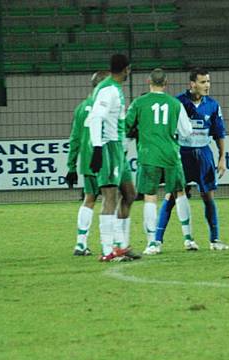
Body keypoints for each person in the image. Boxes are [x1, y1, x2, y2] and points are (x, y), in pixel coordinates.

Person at [155, 67, 229, 251]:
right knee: (172, 196)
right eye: (203, 82)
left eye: (208, 81)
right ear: (192, 84)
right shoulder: (177, 103)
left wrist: (222, 158)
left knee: (208, 197)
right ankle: (157, 240)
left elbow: (219, 133)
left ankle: (215, 240)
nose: (207, 85)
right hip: (182, 154)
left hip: (204, 154)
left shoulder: (212, 105)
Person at [125, 68, 194, 255]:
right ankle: (188, 239)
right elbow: (187, 131)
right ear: (166, 83)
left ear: (149, 81)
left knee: (150, 196)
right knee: (179, 192)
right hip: (171, 155)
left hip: (148, 156)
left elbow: (126, 127)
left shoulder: (139, 103)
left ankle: (152, 243)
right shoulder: (175, 104)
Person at [84, 54, 138, 261]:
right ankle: (108, 251)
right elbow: (96, 117)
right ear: (127, 69)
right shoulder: (109, 90)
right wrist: (98, 149)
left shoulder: (113, 88)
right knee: (110, 197)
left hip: (117, 150)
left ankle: (121, 245)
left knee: (130, 193)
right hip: (107, 148)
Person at [65, 71, 110, 256]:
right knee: (111, 200)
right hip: (106, 159)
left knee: (89, 199)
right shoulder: (108, 106)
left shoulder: (81, 108)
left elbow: (74, 138)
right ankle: (109, 245)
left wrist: (71, 167)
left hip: (87, 162)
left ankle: (80, 243)